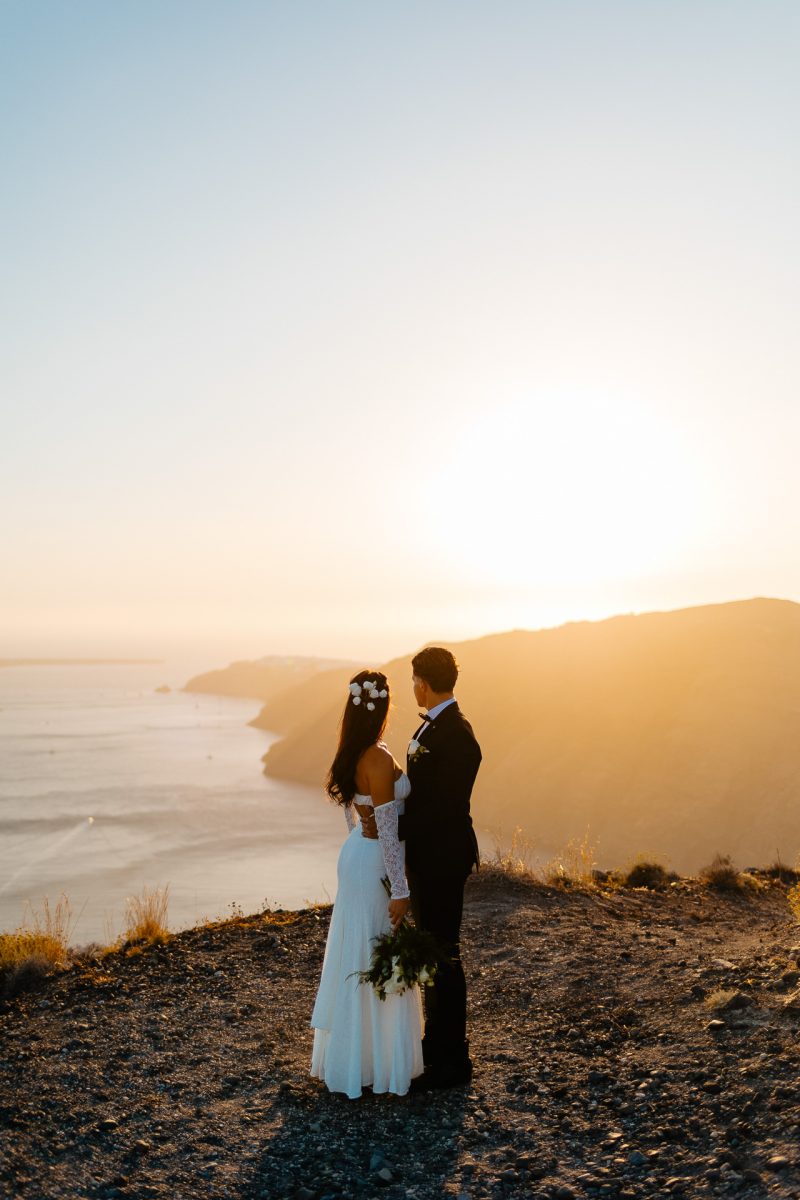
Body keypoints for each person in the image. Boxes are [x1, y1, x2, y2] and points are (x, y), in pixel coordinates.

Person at [309, 669, 424, 1099]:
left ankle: (356, 1059)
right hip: (374, 860)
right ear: (384, 707)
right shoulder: (377, 758)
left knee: (356, 950)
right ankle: (376, 1064)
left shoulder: (355, 752)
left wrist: (366, 828)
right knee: (376, 951)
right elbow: (390, 832)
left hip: (357, 852)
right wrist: (400, 890)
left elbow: (358, 818)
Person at [398, 646, 482, 1091]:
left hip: (443, 857)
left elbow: (446, 808)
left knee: (444, 955)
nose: (413, 687)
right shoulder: (433, 726)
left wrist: (394, 824)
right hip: (428, 855)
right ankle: (438, 1047)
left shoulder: (457, 735)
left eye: (414, 680)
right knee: (435, 951)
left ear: (424, 683)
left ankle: (454, 1062)